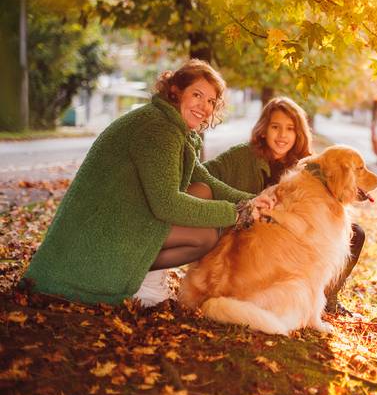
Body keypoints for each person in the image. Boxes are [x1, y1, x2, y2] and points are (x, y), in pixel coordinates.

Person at [22, 59, 257, 306]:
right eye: (197, 95)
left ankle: (146, 277)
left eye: (211, 101)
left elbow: (205, 180)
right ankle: (136, 279)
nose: (205, 106)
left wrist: (252, 201)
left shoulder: (171, 126)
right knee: (204, 238)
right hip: (99, 235)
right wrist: (236, 213)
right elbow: (167, 205)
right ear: (175, 91)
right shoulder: (158, 129)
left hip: (121, 218)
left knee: (202, 190)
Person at [203, 97, 366, 315]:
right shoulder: (241, 156)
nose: (282, 135)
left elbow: (331, 198)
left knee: (355, 234)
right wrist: (238, 203)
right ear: (263, 130)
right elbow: (204, 175)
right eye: (275, 127)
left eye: (290, 129)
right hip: (248, 239)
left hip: (290, 238)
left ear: (298, 134)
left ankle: (326, 297)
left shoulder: (307, 165)